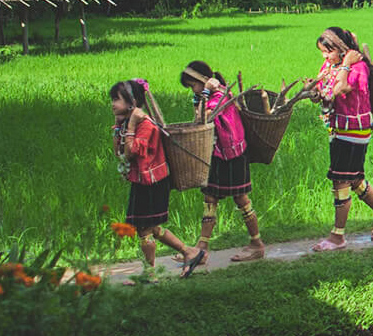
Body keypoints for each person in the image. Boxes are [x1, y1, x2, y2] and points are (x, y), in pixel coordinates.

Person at [311, 26, 373, 251]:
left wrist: (345, 65)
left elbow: (341, 88)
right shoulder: (331, 65)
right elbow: (326, 90)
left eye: (328, 52)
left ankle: (337, 236)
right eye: (322, 52)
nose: (325, 57)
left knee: (341, 180)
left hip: (353, 131)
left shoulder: (358, 67)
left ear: (340, 49)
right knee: (354, 179)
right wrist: (315, 92)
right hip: (337, 128)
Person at [178, 61, 265, 276]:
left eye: (193, 86)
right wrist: (200, 95)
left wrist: (205, 92)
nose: (193, 90)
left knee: (241, 200)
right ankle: (202, 248)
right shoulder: (209, 96)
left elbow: (202, 118)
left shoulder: (219, 97)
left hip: (232, 156)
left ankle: (257, 244)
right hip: (217, 155)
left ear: (202, 81)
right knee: (210, 199)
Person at [110, 79, 198, 274]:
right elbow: (119, 152)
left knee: (145, 229)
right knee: (153, 228)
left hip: (153, 182)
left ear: (132, 102)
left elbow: (131, 151)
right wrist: (118, 128)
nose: (113, 104)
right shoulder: (125, 123)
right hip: (142, 180)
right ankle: (188, 251)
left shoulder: (145, 125)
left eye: (117, 99)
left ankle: (149, 274)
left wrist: (131, 125)